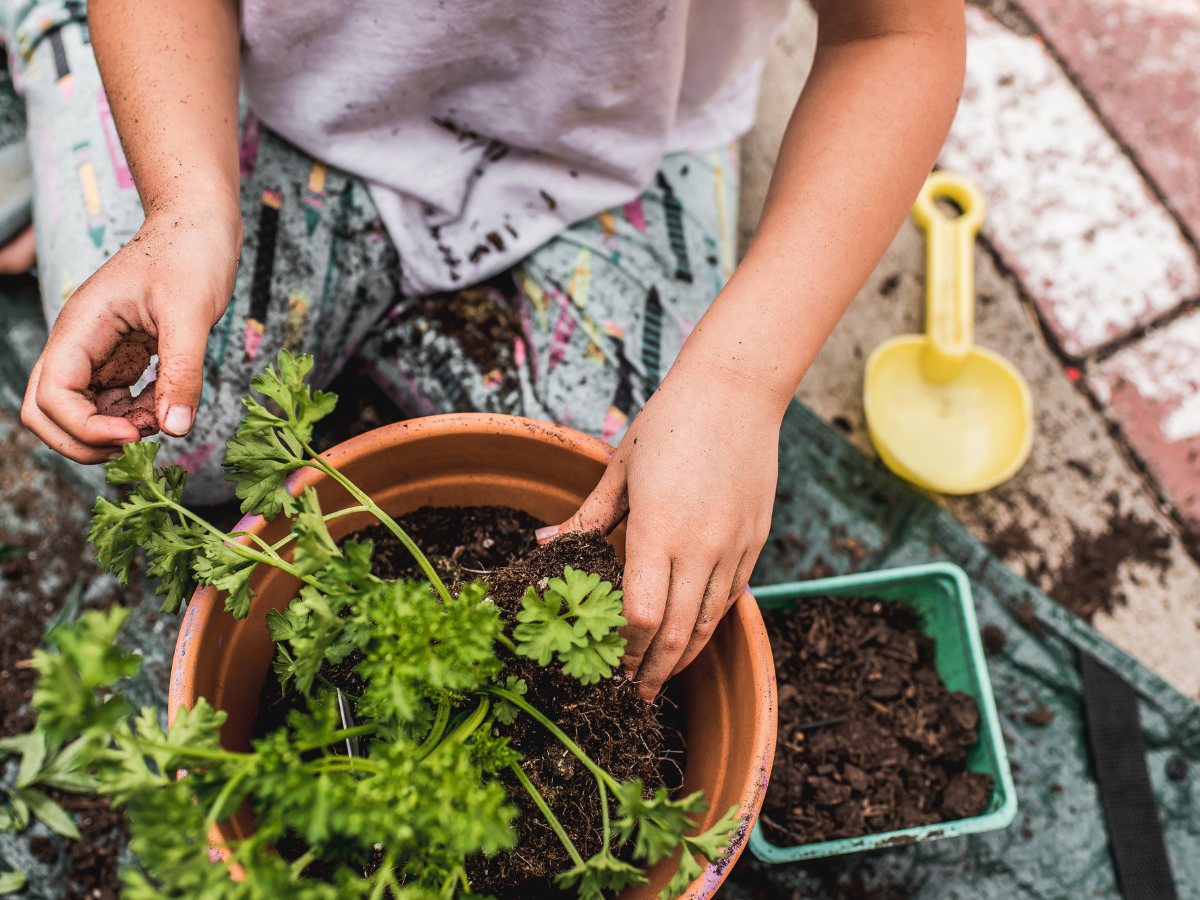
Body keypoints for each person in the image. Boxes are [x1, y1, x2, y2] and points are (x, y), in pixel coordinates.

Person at [9, 0, 965, 700]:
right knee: (164, 428)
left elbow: (898, 39)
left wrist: (739, 382)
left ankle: (404, 294)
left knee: (615, 520)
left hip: (624, 131)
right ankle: (56, 29)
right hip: (265, 83)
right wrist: (184, 209)